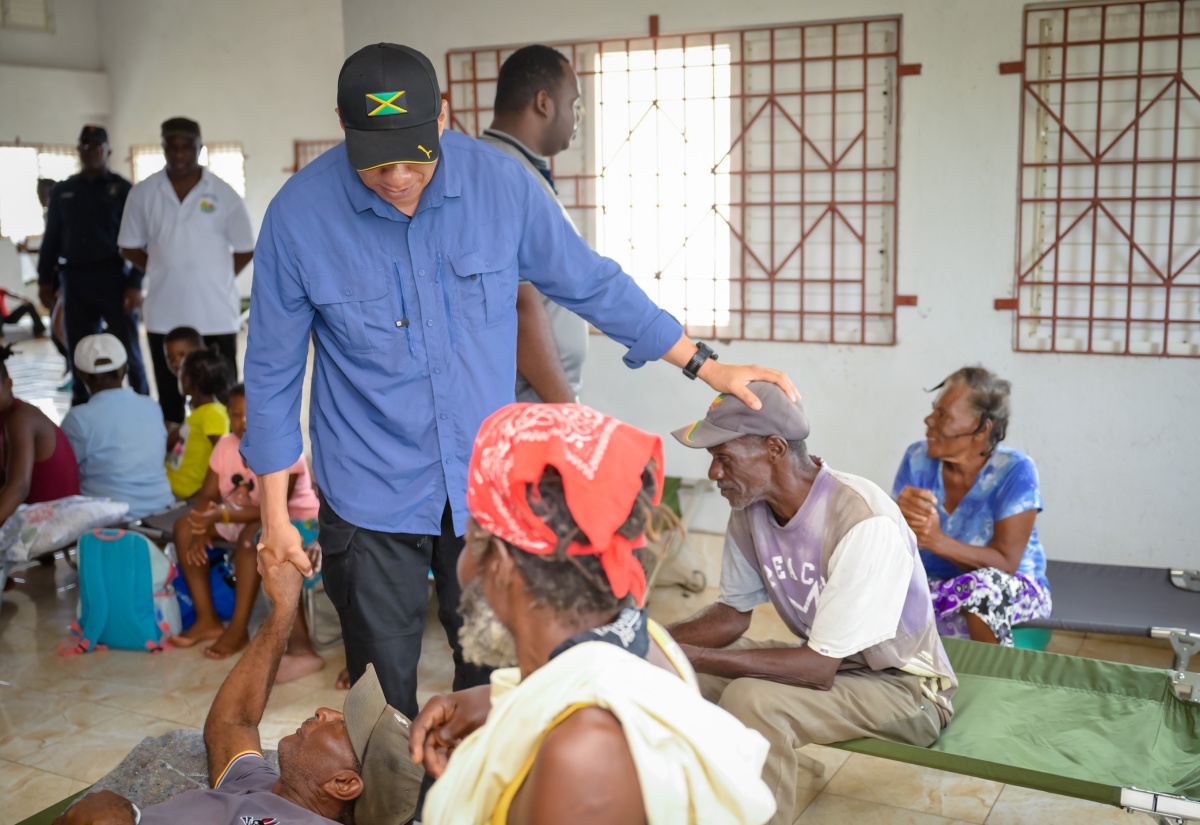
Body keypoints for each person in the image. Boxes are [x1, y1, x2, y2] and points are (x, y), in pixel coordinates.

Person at [244, 42, 796, 718]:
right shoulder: (298, 217)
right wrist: (275, 516)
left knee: (497, 674)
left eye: (411, 156)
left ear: (443, 115)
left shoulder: (500, 188)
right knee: (378, 694)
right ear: (342, 124)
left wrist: (704, 361)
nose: (394, 177)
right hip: (368, 487)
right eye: (375, 160)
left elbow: (590, 282)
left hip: (485, 486)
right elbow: (271, 372)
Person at [413, 403, 776, 825]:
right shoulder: (645, 641)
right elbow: (570, 688)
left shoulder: (581, 757)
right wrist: (498, 704)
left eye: (471, 533)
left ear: (500, 561)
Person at [667, 383, 957, 825]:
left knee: (753, 700)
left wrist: (694, 653)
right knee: (678, 674)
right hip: (838, 664)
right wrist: (652, 642)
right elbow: (731, 616)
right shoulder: (752, 506)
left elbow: (816, 670)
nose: (714, 473)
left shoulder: (862, 520)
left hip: (904, 688)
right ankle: (717, 802)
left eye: (723, 458)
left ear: (775, 449)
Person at [51, 555, 422, 825]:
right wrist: (283, 607)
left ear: (344, 784)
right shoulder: (266, 784)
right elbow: (233, 724)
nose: (326, 711)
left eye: (345, 726)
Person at [171, 383, 324, 682]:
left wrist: (220, 515)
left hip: (297, 523)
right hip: (241, 519)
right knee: (184, 527)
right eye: (234, 414)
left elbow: (274, 509)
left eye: (249, 414)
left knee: (252, 537)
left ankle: (238, 629)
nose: (241, 421)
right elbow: (206, 496)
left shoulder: (283, 445)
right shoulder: (226, 445)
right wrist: (203, 523)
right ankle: (207, 619)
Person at [893, 366, 1052, 645]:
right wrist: (895, 516)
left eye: (942, 414)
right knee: (866, 580)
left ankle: (993, 683)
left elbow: (1006, 563)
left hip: (1009, 588)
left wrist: (937, 540)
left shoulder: (1015, 471)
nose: (929, 419)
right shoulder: (917, 458)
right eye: (934, 410)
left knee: (984, 589)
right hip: (936, 586)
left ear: (981, 428)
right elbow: (896, 546)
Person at [118, 117, 254, 423]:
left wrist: (215, 274)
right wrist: (158, 266)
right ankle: (178, 459)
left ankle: (224, 458)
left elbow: (246, 247)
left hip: (215, 314)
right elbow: (127, 244)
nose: (179, 155)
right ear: (163, 148)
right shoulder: (144, 193)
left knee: (222, 394)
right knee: (171, 397)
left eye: (187, 148)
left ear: (199, 148)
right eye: (172, 147)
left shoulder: (223, 193)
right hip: (165, 315)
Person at [482, 45, 587, 403]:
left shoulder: (519, 169)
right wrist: (568, 410)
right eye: (573, 104)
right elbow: (519, 304)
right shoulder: (499, 174)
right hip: (532, 399)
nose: (577, 117)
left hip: (542, 396)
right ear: (544, 102)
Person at [37, 124, 149, 406]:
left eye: (96, 146)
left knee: (128, 347)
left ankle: (142, 401)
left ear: (108, 151)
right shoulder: (64, 191)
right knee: (79, 346)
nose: (91, 152)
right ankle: (82, 405)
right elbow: (51, 239)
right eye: (85, 146)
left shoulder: (123, 189)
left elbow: (142, 241)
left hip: (114, 277)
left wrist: (136, 283)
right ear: (79, 150)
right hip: (74, 279)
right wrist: (44, 280)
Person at [60, 333, 174, 520]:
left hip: (110, 520)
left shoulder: (77, 419)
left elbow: (66, 474)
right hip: (161, 509)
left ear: (81, 376)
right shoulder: (151, 406)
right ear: (125, 370)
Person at [0, 344, 81, 528]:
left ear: (9, 384)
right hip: (35, 518)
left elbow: (19, 488)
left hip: (57, 525)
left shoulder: (21, 418)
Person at [165, 348, 230, 500]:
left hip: (187, 495)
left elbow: (224, 455)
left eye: (181, 370)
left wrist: (205, 495)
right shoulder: (198, 411)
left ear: (187, 379)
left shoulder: (213, 413)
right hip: (171, 486)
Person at [162, 326, 204, 444]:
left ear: (201, 351)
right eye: (170, 358)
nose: (176, 363)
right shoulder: (185, 388)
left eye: (182, 355)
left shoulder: (206, 389)